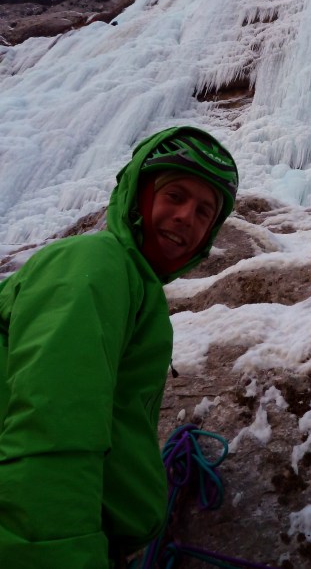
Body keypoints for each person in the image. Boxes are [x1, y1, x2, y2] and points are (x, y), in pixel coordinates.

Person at [0, 125, 239, 569]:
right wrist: (61, 552)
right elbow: (53, 426)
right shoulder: (95, 265)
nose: (187, 216)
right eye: (174, 195)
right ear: (138, 197)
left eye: (205, 211)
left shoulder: (134, 284)